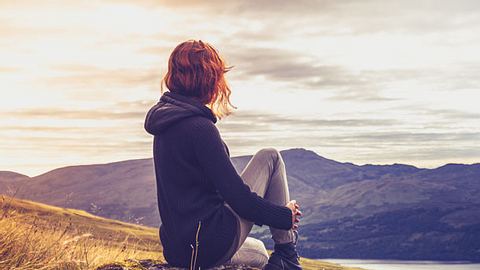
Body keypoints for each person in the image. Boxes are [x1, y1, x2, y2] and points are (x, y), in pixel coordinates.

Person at [144, 39, 303, 270]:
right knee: (270, 156)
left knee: (258, 251)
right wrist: (284, 216)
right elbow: (239, 199)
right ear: (208, 78)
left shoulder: (165, 124)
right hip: (209, 242)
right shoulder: (200, 128)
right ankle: (287, 254)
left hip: (179, 250)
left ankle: (283, 257)